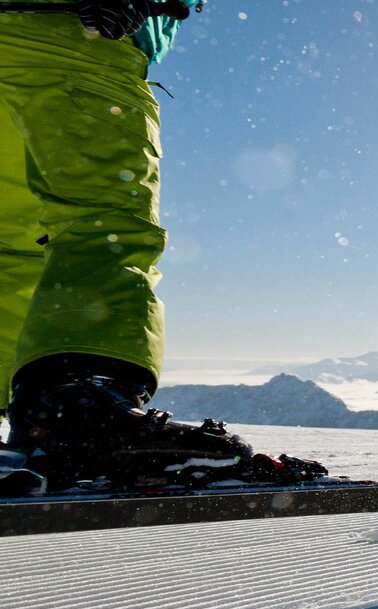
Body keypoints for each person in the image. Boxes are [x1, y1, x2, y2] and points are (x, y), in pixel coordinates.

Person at [0, 1, 320, 490]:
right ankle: (77, 409)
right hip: (70, 33)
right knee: (102, 222)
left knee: (13, 246)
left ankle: (39, 420)